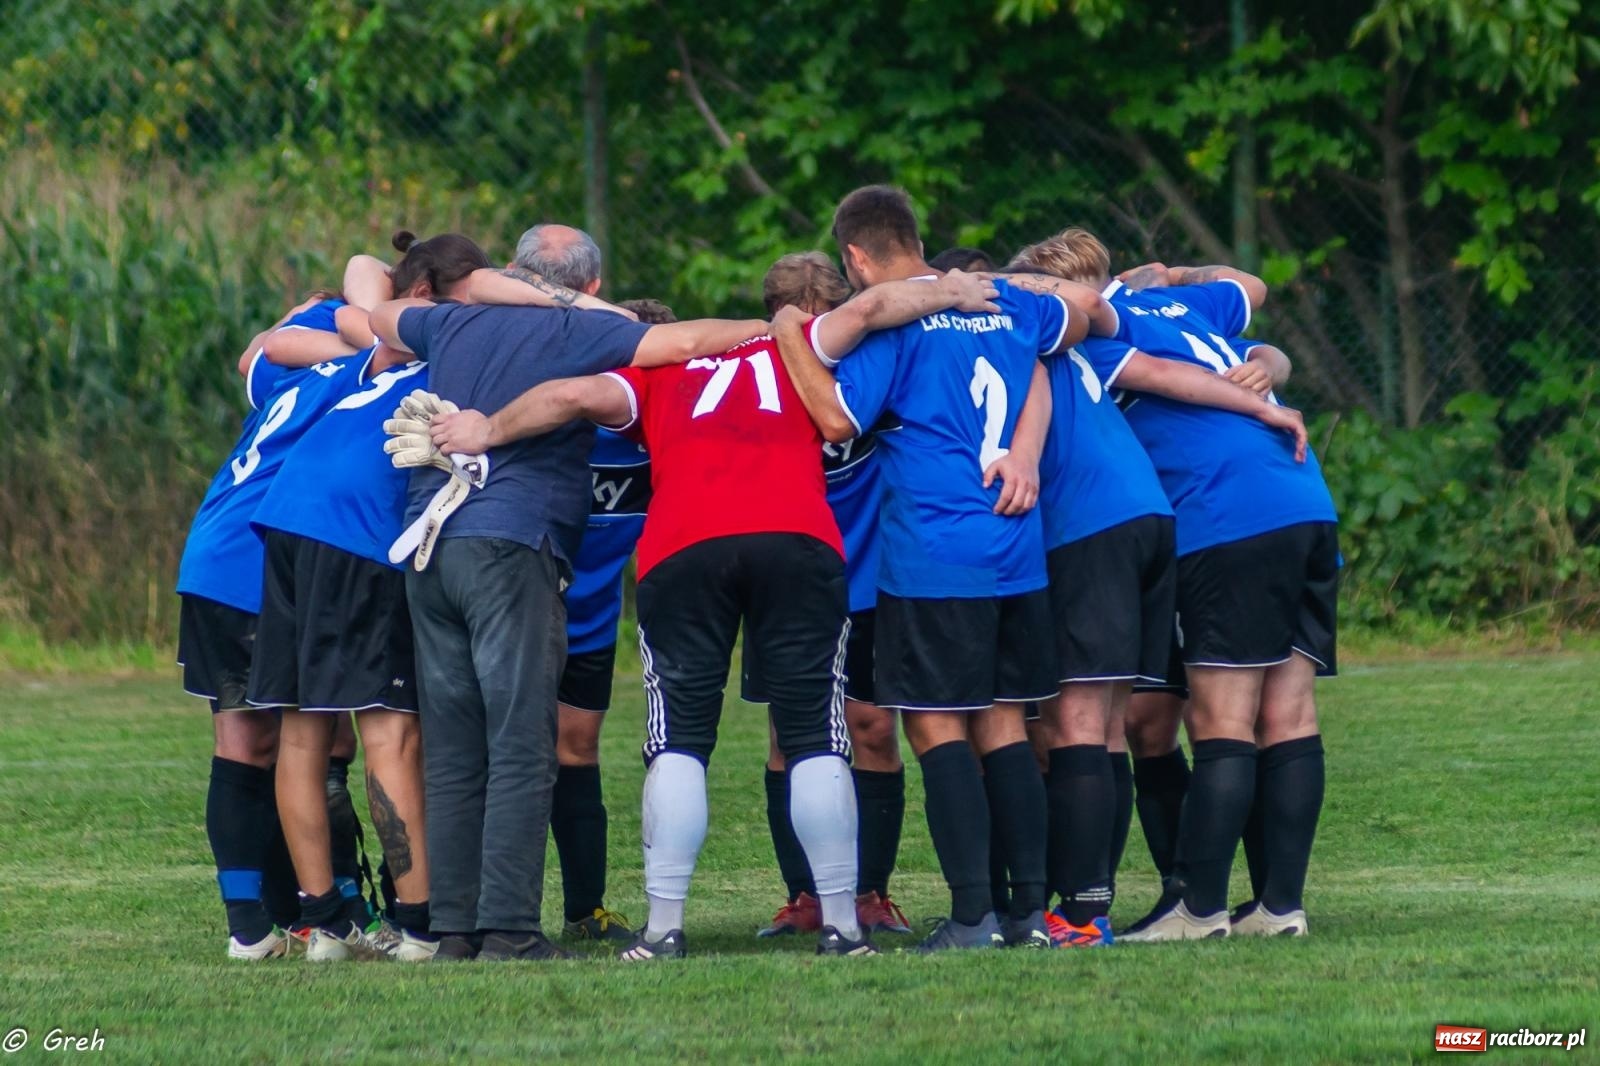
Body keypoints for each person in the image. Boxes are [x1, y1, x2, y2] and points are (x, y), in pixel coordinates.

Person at [427, 262, 1005, 960]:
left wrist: (488, 429)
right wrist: (950, 290)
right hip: (796, 538)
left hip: (686, 544)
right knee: (815, 737)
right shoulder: (792, 345)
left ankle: (663, 929)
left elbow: (570, 394)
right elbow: (870, 307)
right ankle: (843, 926)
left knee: (679, 740)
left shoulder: (654, 370)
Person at [368, 253, 768, 962]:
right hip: (512, 545)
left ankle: (455, 929)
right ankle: (510, 929)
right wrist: (777, 328)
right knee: (522, 741)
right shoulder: (575, 329)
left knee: (455, 748)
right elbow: (684, 340)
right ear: (578, 287)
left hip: (431, 549)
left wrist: (487, 287)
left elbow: (377, 310)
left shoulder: (452, 322)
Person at [770, 185, 1093, 951]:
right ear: (916, 238)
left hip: (935, 550)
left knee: (936, 726)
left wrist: (789, 335)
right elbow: (1077, 320)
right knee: (1004, 724)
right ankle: (1027, 915)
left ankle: (973, 915)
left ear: (856, 258)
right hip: (1015, 545)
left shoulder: (896, 325)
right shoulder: (1004, 301)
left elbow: (836, 419)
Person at [1024, 233, 1336, 941]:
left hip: (1223, 512)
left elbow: (1164, 375)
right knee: (1289, 713)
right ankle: (1280, 906)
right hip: (1302, 497)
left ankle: (1198, 910)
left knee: (1222, 720)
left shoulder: (1094, 332)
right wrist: (1179, 275)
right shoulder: (1180, 305)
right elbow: (1250, 288)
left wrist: (1255, 398)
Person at [246, 232, 492, 962]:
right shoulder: (443, 347)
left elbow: (356, 275)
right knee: (390, 732)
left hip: (288, 517)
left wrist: (409, 285)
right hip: (353, 531)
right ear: (425, 298)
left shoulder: (378, 348)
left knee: (303, 730)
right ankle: (417, 925)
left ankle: (323, 923)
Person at [176, 290, 372, 959]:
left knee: (277, 739)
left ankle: (273, 917)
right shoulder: (364, 372)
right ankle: (311, 910)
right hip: (259, 560)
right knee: (297, 738)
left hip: (216, 550)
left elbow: (251, 354)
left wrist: (297, 318)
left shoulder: (285, 374)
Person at [741, 253, 909, 939]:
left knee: (873, 727)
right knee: (789, 735)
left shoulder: (869, 369)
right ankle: (804, 896)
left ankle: (871, 893)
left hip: (868, 577)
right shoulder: (751, 375)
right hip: (784, 581)